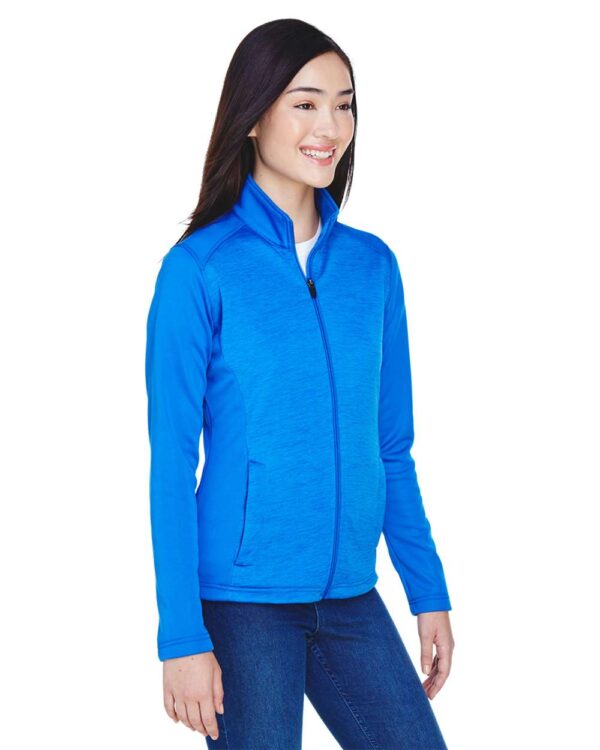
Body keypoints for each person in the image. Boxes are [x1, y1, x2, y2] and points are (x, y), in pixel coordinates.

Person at [145, 18, 455, 750]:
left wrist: (427, 589)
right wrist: (181, 636)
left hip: (350, 594)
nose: (331, 127)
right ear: (253, 116)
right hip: (242, 602)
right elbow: (171, 464)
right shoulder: (199, 270)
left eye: (344, 105)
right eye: (306, 104)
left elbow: (390, 447)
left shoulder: (373, 268)